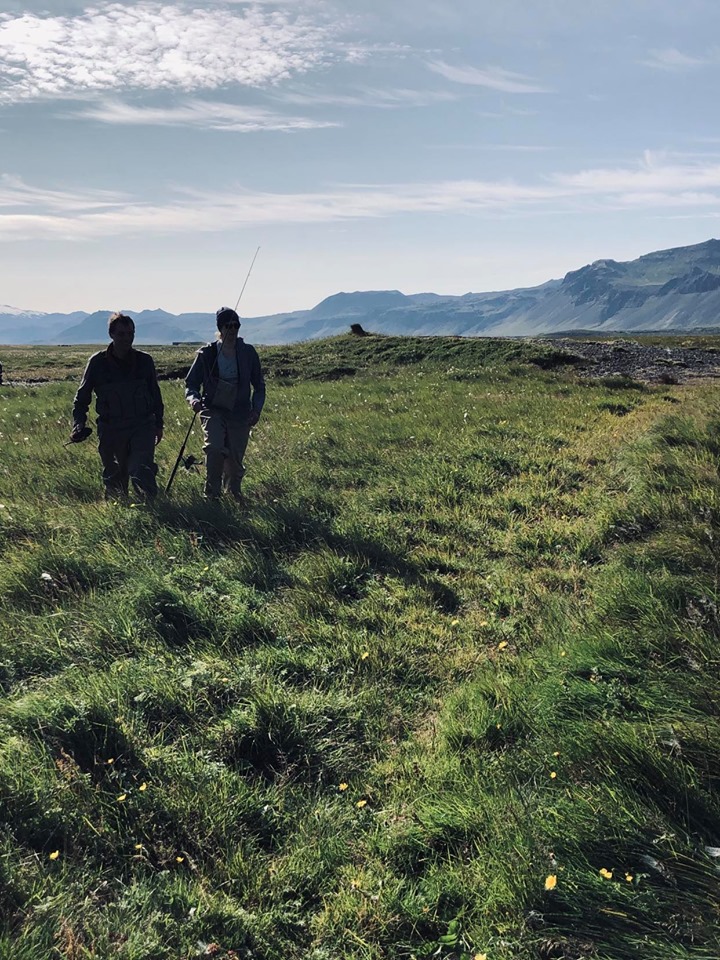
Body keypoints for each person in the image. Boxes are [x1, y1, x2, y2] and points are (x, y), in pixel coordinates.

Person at [70, 312, 164, 498]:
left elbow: (155, 395)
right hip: (111, 428)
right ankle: (118, 516)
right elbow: (82, 398)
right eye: (121, 334)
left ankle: (153, 512)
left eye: (130, 334)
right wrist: (78, 424)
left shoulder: (145, 361)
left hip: (142, 426)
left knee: (141, 469)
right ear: (111, 334)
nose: (126, 338)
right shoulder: (97, 363)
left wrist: (159, 424)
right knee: (115, 476)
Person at [184, 306, 265, 500]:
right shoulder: (206, 354)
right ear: (220, 328)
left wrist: (256, 410)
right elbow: (191, 383)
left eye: (236, 325)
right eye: (228, 326)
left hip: (240, 412)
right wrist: (193, 399)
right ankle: (212, 495)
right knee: (214, 448)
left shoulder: (248, 353)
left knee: (235, 458)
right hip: (213, 409)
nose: (232, 330)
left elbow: (259, 385)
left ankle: (234, 494)